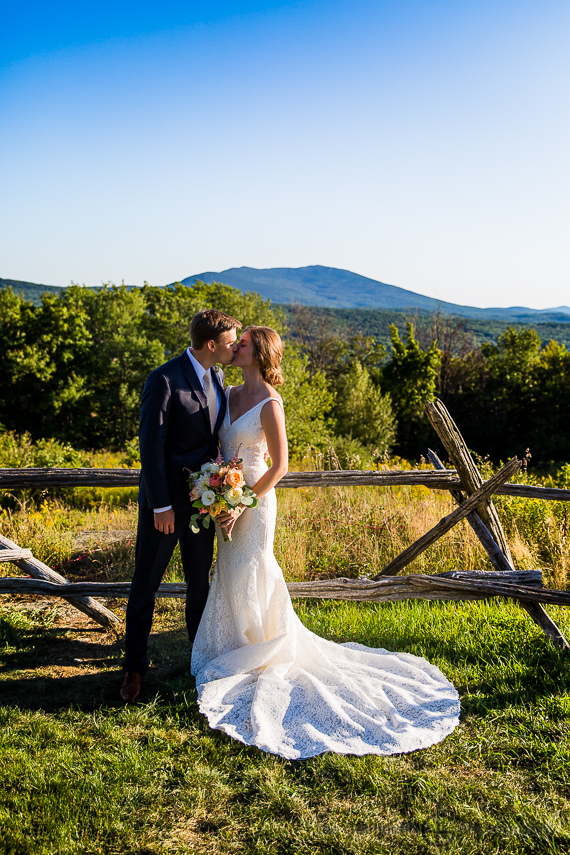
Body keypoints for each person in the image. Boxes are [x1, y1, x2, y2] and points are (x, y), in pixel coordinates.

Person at [191, 326, 461, 759]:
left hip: (255, 505)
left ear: (258, 354)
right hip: (229, 496)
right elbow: (223, 451)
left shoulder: (269, 403)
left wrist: (241, 503)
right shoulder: (228, 392)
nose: (234, 347)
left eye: (242, 344)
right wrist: (219, 490)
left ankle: (265, 647)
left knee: (253, 569)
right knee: (231, 572)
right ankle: (239, 646)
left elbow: (278, 467)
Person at [120, 309, 242, 703]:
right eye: (229, 342)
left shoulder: (219, 377)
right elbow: (150, 447)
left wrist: (223, 486)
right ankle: (134, 669)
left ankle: (198, 659)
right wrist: (160, 507)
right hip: (165, 506)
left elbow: (212, 441)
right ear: (211, 344)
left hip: (202, 503)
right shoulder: (164, 379)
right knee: (146, 585)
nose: (234, 348)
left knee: (198, 585)